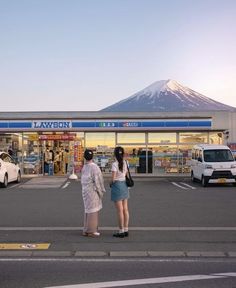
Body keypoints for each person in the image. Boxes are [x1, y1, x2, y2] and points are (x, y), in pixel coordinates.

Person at [81, 149, 106, 237]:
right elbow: (98, 181)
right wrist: (101, 191)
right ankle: (91, 230)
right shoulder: (94, 167)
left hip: (85, 190)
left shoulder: (84, 167)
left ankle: (86, 229)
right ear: (93, 157)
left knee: (87, 210)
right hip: (92, 191)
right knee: (93, 210)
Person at [110, 146, 130, 238]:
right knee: (125, 209)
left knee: (120, 211)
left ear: (115, 154)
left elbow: (113, 179)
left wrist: (110, 183)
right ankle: (126, 229)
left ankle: (121, 231)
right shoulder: (126, 162)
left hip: (117, 186)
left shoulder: (114, 164)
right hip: (125, 185)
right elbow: (125, 175)